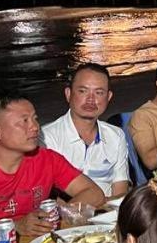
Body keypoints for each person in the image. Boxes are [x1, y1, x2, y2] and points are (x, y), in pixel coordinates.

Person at [0, 94, 106, 234]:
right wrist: (15, 227)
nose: (35, 127)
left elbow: (94, 193)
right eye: (24, 121)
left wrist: (57, 214)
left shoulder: (47, 160)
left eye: (35, 119)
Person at [40, 63, 130, 199]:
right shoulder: (46, 137)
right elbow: (49, 198)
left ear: (108, 97)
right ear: (68, 94)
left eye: (99, 93)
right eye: (83, 91)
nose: (91, 100)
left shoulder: (116, 136)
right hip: (67, 217)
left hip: (110, 216)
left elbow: (120, 192)